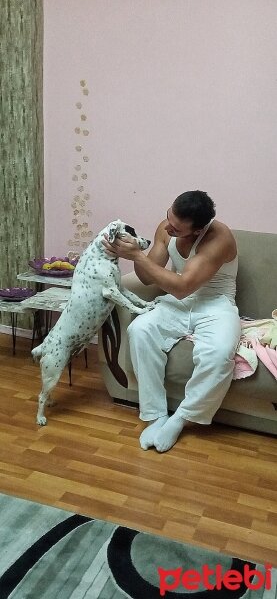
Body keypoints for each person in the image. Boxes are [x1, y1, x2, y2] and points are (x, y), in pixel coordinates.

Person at [102, 190, 241, 452]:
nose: (168, 227)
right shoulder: (167, 228)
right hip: (179, 303)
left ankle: (181, 418)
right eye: (169, 218)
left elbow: (182, 286)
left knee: (220, 353)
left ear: (198, 230)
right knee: (140, 329)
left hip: (216, 304)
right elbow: (146, 277)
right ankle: (156, 414)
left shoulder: (220, 237)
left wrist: (138, 257)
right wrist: (126, 253)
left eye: (176, 228)